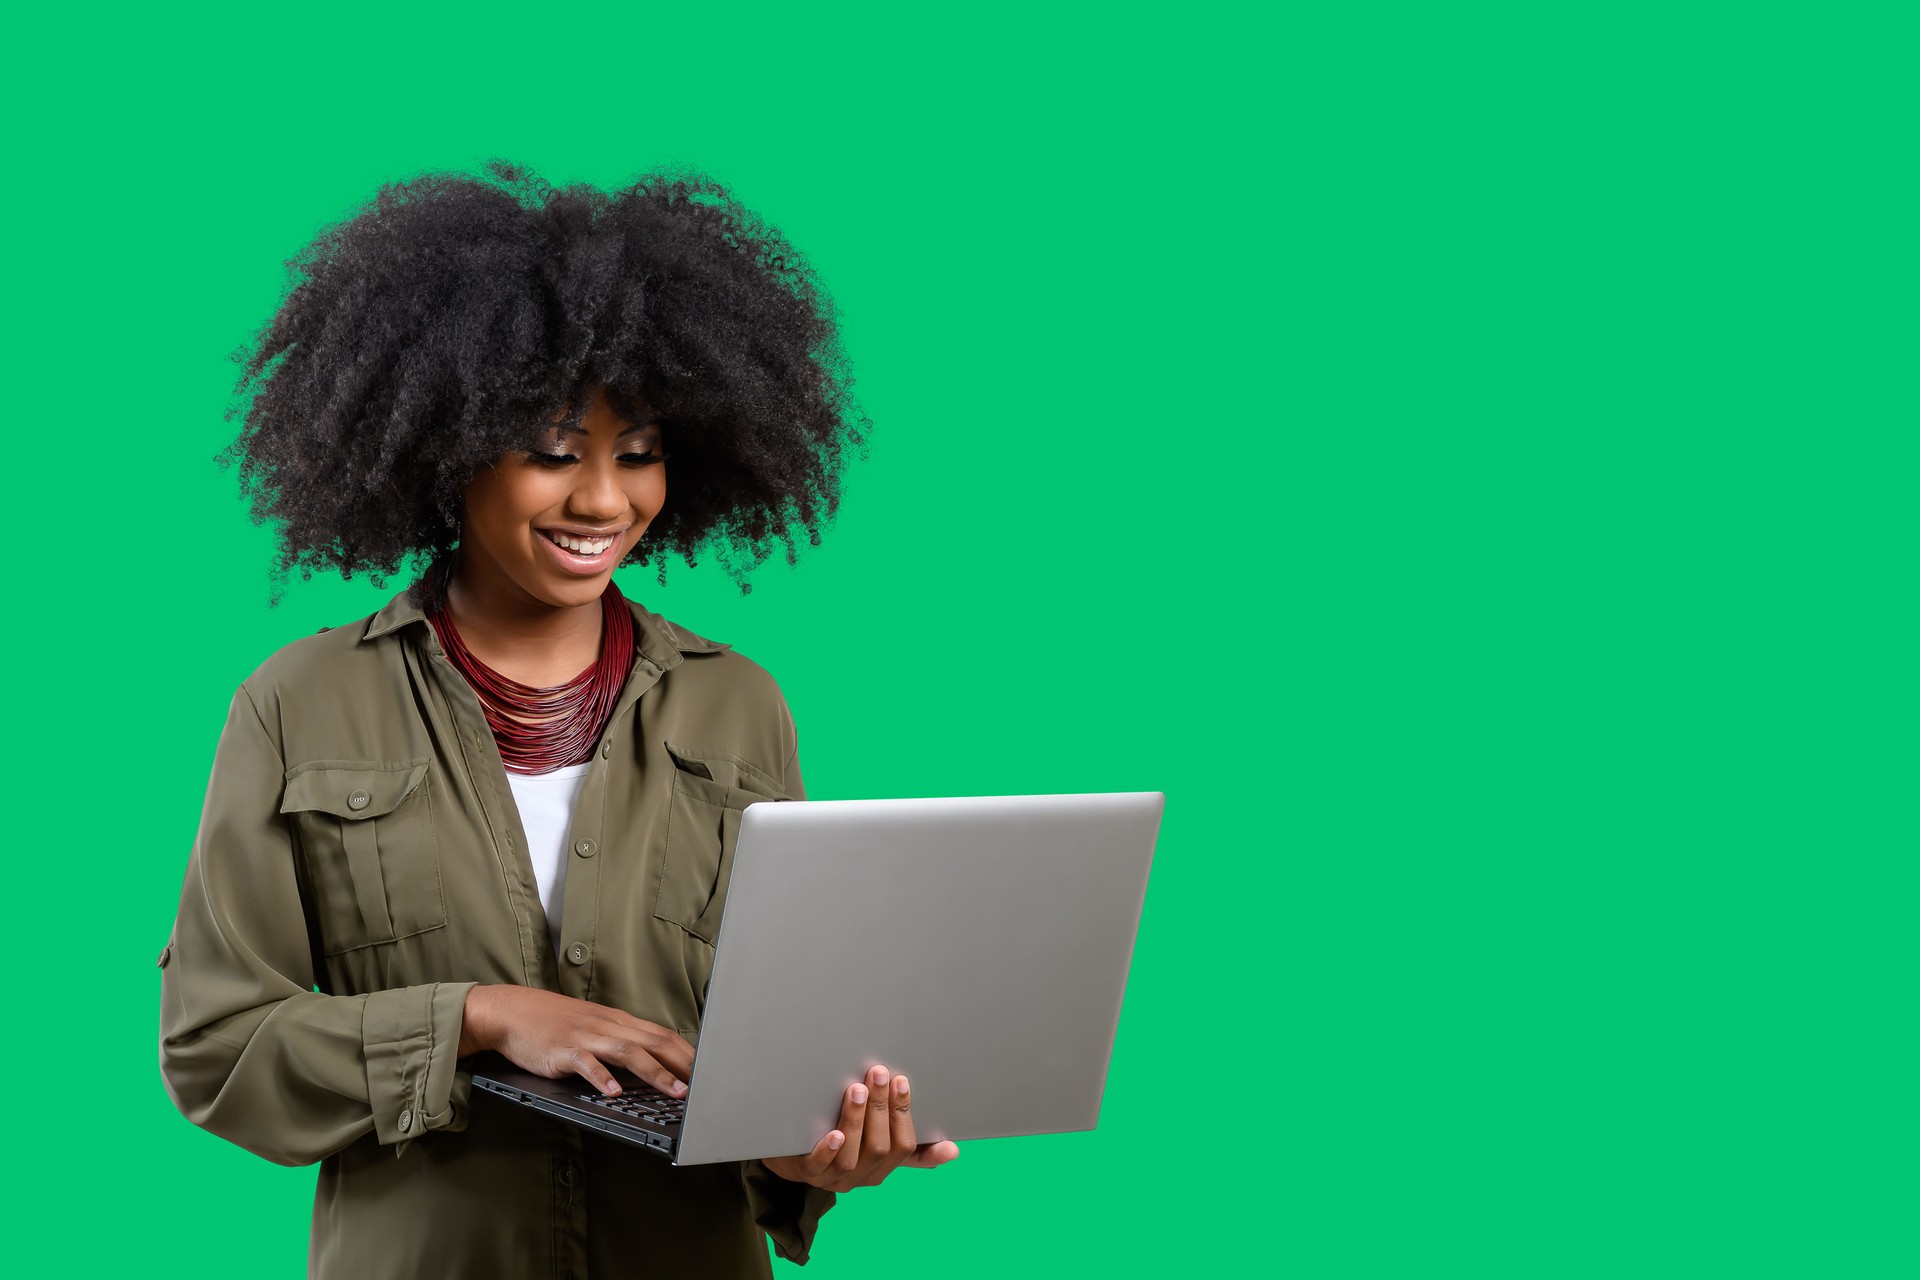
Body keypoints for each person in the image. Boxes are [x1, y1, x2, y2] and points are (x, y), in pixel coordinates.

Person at [158, 161, 958, 1279]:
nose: (602, 500)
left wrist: (816, 1152)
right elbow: (217, 1046)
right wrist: (476, 1016)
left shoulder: (739, 704)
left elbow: (770, 1042)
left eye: (639, 454)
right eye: (551, 452)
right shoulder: (298, 703)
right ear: (450, 443)